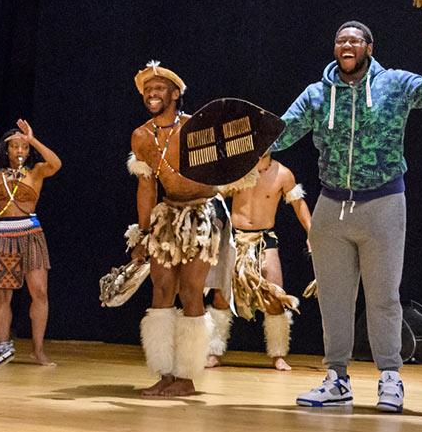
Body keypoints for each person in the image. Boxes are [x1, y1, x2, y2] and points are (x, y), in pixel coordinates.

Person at [276, 21, 422, 412]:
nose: (346, 44)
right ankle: (336, 379)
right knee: (333, 299)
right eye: (340, 39)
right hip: (331, 206)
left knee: (383, 297)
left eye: (354, 39)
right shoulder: (317, 94)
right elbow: (280, 133)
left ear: (369, 47)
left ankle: (390, 378)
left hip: (383, 204)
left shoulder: (393, 84)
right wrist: (235, 139)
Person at [126, 61, 235, 397]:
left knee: (191, 291)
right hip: (168, 216)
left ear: (175, 94)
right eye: (148, 90)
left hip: (202, 216)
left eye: (159, 88)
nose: (152, 94)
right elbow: (146, 188)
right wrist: (143, 233)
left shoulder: (193, 129)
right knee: (161, 291)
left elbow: (226, 169)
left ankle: (186, 377)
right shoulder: (142, 136)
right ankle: (164, 371)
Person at [0, 114, 62, 366]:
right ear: (5, 149)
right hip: (3, 234)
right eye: (15, 145)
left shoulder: (36, 172)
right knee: (3, 295)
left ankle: (37, 350)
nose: (20, 149)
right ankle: (3, 349)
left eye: (24, 146)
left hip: (30, 234)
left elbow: (56, 163)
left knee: (39, 292)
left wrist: (34, 139)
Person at [207, 153, 311, 371]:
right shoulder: (239, 168)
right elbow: (216, 195)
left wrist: (311, 233)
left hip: (264, 239)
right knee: (222, 296)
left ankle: (278, 354)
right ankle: (213, 351)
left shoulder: (283, 174)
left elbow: (299, 205)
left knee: (275, 295)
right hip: (235, 238)